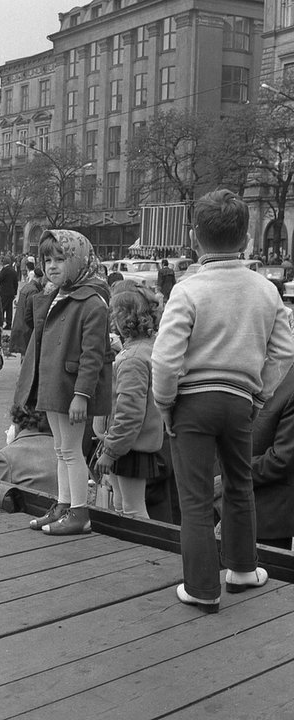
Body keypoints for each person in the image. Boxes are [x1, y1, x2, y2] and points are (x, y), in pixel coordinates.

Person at [152, 189, 294, 613]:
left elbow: (165, 358)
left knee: (194, 497)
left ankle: (200, 587)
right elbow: (284, 352)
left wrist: (165, 403)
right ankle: (242, 568)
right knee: (240, 483)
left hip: (192, 401)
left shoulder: (188, 289)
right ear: (247, 239)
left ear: (195, 238)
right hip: (240, 400)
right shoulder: (266, 290)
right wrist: (259, 394)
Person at [14, 229, 113, 535]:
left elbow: (93, 354)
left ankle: (80, 512)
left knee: (71, 450)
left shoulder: (92, 301)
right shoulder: (58, 293)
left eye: (60, 258)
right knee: (61, 449)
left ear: (78, 260)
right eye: (47, 259)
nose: (52, 266)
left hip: (71, 386)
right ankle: (64, 504)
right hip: (56, 382)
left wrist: (81, 394)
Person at [95, 288, 163, 519]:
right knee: (124, 505)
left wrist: (110, 451)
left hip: (129, 446)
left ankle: (138, 553)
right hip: (130, 443)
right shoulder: (149, 349)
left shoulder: (132, 359)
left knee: (132, 509)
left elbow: (129, 413)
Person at [214, 362, 294, 550]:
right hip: (221, 504)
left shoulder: (289, 384)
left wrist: (228, 475)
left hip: (265, 517)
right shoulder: (246, 369)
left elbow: (282, 459)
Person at [0, 404, 58, 494]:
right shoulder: (67, 450)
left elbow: (1, 499)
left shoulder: (6, 456)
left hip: (32, 507)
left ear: (17, 422)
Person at [8, 266, 43, 359]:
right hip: (26, 326)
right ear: (40, 278)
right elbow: (31, 310)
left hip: (19, 323)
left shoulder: (27, 287)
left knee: (24, 353)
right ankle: (24, 373)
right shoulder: (34, 290)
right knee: (27, 353)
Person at [0, 258, 18, 329]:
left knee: (2, 307)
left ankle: (0, 323)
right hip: (11, 292)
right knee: (9, 309)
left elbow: (0, 278)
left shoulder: (4, 270)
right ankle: (9, 323)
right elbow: (16, 283)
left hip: (4, 292)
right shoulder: (13, 271)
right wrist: (15, 292)